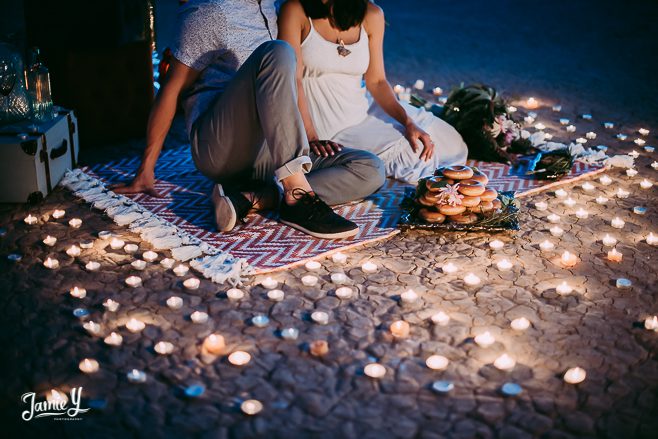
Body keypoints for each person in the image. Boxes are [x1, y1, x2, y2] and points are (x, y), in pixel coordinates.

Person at [114, 0, 386, 240]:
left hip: (271, 151)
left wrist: (311, 138)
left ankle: (256, 198)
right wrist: (146, 169)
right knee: (278, 51)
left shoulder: (275, 7)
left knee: (369, 167)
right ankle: (296, 196)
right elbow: (170, 91)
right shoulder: (209, 11)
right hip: (220, 148)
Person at [278, 0, 468, 184]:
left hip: (362, 108)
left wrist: (408, 122)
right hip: (326, 126)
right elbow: (293, 81)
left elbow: (377, 81)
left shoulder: (371, 15)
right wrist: (311, 137)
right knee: (415, 156)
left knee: (448, 141)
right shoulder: (295, 10)